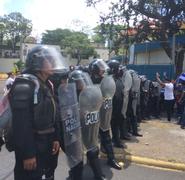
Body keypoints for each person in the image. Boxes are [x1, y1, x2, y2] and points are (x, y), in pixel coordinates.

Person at [8, 45, 67, 180]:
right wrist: (28, 154)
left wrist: (56, 138)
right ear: (37, 62)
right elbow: (21, 124)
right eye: (49, 60)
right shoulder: (24, 86)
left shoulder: (47, 84)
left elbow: (54, 113)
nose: (53, 63)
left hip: (46, 143)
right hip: (32, 146)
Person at [69, 70, 107, 180]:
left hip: (88, 126)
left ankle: (98, 175)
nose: (82, 83)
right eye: (80, 81)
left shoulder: (87, 93)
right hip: (76, 128)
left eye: (83, 80)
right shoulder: (71, 95)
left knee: (93, 151)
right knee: (77, 156)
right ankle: (74, 175)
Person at [89, 59, 122, 170]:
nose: (103, 71)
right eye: (101, 69)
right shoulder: (88, 81)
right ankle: (93, 162)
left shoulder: (106, 80)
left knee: (106, 137)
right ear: (95, 70)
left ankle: (111, 159)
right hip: (92, 115)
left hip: (104, 114)